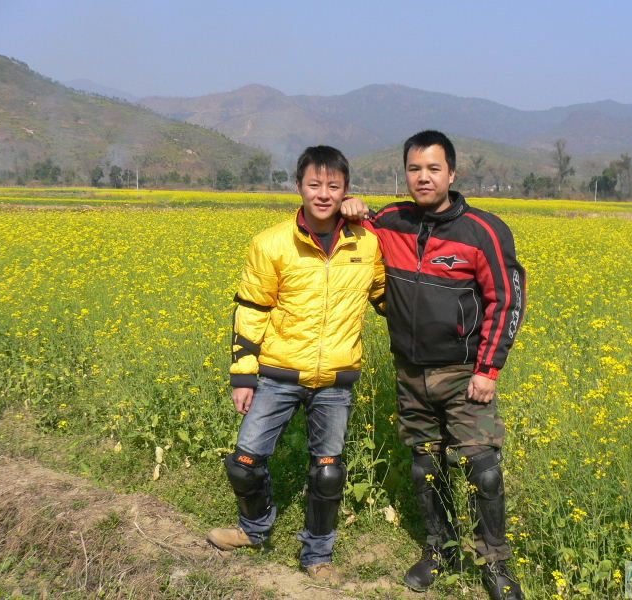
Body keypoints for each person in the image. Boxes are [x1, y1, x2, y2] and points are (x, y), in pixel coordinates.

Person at [341, 130, 526, 600]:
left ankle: (495, 563)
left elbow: (506, 301)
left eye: (433, 169)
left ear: (452, 174)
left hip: (464, 373)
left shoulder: (483, 230)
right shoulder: (391, 220)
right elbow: (355, 221)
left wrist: (488, 370)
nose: (423, 178)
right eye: (415, 169)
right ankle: (439, 549)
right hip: (410, 372)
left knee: (483, 468)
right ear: (405, 173)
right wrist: (353, 205)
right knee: (426, 467)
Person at [207, 145, 385, 586]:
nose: (323, 193)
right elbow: (252, 309)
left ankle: (317, 555)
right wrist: (243, 375)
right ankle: (253, 530)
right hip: (277, 374)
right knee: (244, 462)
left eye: (333, 185)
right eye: (314, 184)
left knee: (327, 471)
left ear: (346, 190)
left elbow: (386, 296)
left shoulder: (367, 240)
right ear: (299, 187)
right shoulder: (271, 243)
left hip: (335, 381)